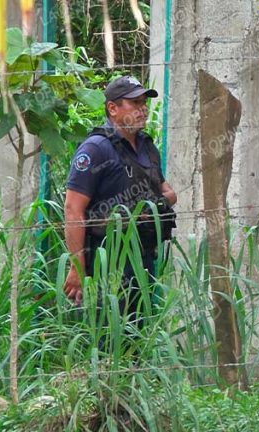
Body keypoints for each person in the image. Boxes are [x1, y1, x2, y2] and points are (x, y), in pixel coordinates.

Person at [63, 75, 177, 322]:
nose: (142, 109)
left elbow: (168, 192)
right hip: (107, 258)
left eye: (144, 103)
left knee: (137, 331)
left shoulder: (146, 146)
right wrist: (77, 266)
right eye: (134, 103)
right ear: (112, 108)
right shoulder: (96, 148)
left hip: (142, 255)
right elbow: (73, 210)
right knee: (107, 335)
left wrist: (148, 209)